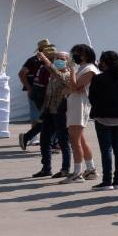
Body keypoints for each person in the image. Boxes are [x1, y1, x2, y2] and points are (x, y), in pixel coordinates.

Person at [88, 51, 118, 191]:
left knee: (106, 149)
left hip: (102, 117)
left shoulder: (99, 78)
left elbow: (92, 98)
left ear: (105, 62)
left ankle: (107, 181)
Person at [58, 44, 99, 183]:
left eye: (78, 53)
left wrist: (71, 72)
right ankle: (91, 169)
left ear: (86, 55)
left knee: (74, 140)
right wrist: (72, 85)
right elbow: (73, 87)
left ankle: (77, 172)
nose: (75, 56)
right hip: (74, 103)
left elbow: (76, 86)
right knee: (80, 139)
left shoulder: (90, 69)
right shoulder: (81, 68)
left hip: (81, 105)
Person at [33, 46, 72, 180]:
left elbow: (58, 74)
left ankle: (65, 168)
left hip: (61, 112)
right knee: (45, 140)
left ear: (68, 62)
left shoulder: (66, 75)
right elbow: (48, 94)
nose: (58, 61)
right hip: (50, 111)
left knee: (63, 141)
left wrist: (46, 60)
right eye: (57, 58)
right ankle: (46, 167)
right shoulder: (53, 76)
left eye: (62, 59)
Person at [17, 38, 51, 151]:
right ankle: (33, 138)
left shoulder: (50, 60)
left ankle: (36, 138)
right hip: (36, 92)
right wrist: (29, 88)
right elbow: (21, 73)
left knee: (47, 117)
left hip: (47, 92)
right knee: (36, 115)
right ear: (41, 49)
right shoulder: (33, 60)